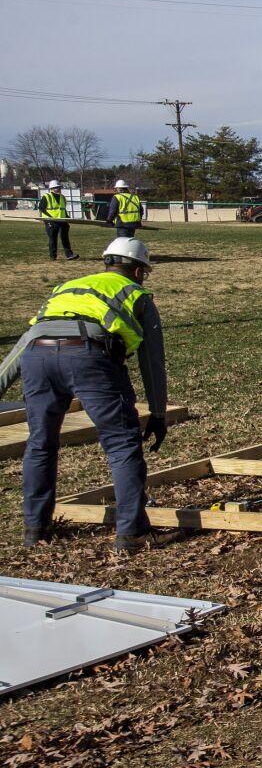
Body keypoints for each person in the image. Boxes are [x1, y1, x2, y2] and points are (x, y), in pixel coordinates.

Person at [0, 238, 168, 553]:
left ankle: (35, 527)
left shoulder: (68, 288)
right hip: (89, 357)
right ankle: (130, 533)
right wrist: (158, 413)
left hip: (37, 358)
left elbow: (29, 338)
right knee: (121, 445)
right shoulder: (136, 294)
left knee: (40, 444)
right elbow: (152, 361)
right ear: (137, 270)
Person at [37, 179, 76, 261]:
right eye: (56, 187)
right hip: (51, 221)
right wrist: (49, 218)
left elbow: (62, 209)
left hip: (62, 221)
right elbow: (41, 208)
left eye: (58, 187)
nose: (58, 189)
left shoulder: (62, 197)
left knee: (65, 238)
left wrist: (67, 218)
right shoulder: (46, 197)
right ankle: (53, 256)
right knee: (52, 239)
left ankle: (69, 255)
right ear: (52, 188)